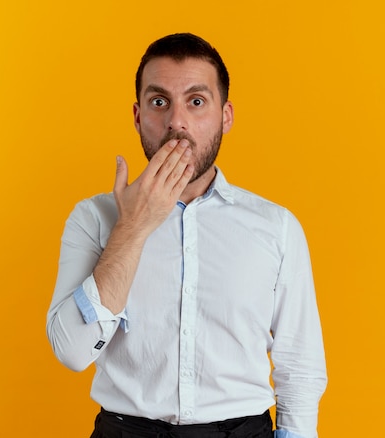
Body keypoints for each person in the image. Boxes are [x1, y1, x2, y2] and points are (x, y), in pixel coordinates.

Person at [46, 33, 327, 438]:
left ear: (225, 116)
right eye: (159, 102)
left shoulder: (276, 227)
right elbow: (72, 352)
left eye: (196, 101)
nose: (177, 121)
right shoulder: (94, 219)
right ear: (138, 115)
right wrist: (133, 228)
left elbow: (299, 365)